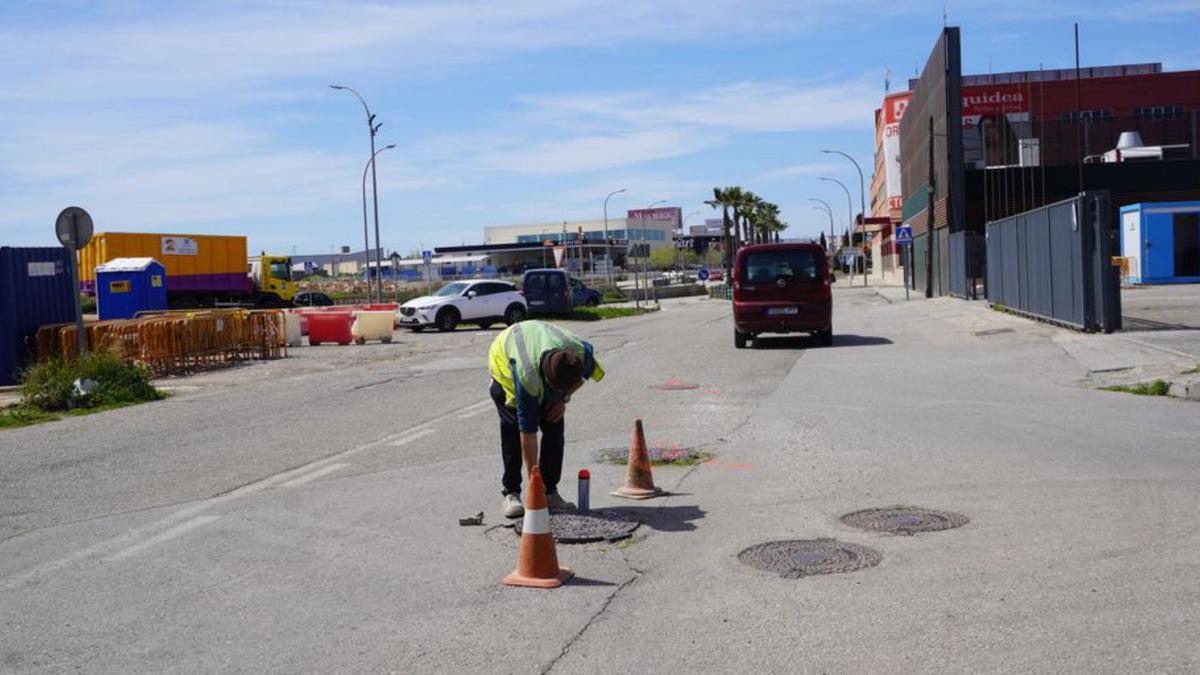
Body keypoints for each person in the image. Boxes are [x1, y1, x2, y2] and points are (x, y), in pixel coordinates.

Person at [488, 320, 605, 517]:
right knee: (512, 431)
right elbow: (528, 432)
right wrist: (534, 481)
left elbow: (585, 375)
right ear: (548, 380)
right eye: (559, 391)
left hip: (541, 354)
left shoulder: (579, 354)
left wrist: (563, 399)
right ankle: (512, 492)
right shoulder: (527, 375)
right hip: (505, 371)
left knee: (555, 428)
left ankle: (550, 492)